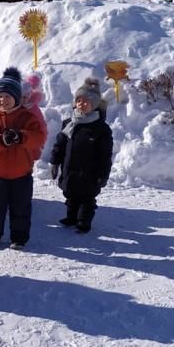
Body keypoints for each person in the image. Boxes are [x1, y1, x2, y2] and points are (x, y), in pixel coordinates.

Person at [0, 66, 46, 249]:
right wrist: (1, 140)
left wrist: (22, 137)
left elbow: (38, 136)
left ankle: (19, 238)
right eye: (0, 96)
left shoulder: (26, 117)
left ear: (16, 98)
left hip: (21, 173)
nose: (3, 100)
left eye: (7, 96)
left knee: (21, 208)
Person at [49, 79, 113, 233]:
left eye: (86, 101)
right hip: (70, 169)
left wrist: (103, 175)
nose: (81, 104)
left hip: (89, 173)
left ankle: (84, 222)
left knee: (86, 199)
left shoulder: (101, 129)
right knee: (70, 195)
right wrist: (54, 163)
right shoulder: (69, 123)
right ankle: (71, 217)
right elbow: (60, 145)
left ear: (95, 104)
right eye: (79, 101)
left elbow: (105, 155)